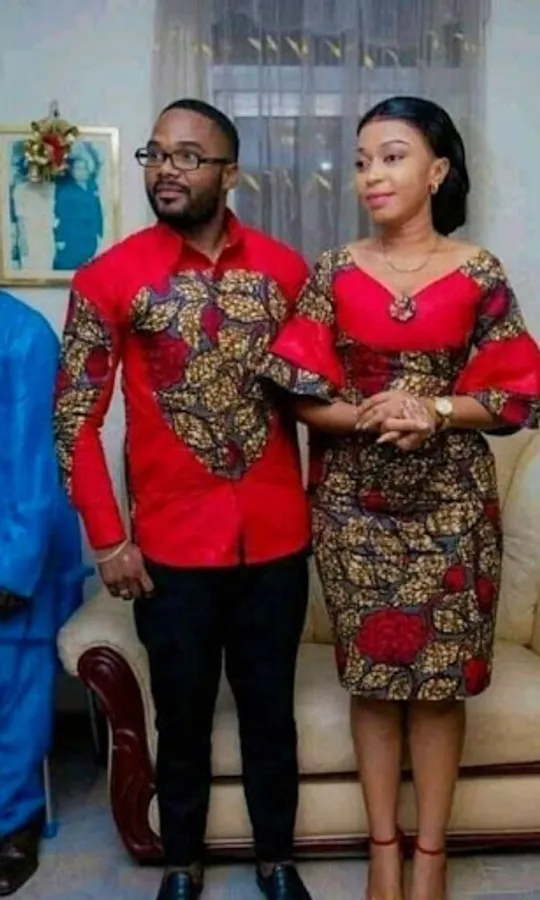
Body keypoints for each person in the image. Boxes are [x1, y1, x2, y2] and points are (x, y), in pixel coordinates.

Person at [259, 95, 540, 900]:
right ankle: (383, 850)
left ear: (437, 170)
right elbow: (298, 393)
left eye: (391, 157)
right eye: (360, 162)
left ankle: (431, 857)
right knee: (374, 686)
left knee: (439, 690)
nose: (371, 176)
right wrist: (378, 415)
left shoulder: (479, 272)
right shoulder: (333, 272)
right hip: (354, 511)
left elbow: (519, 395)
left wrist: (436, 410)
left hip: (454, 512)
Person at [53, 99, 314, 900]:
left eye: (188, 156)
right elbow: (74, 419)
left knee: (270, 711)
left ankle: (276, 862)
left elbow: (319, 400)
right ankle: (181, 864)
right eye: (157, 154)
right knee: (182, 715)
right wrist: (108, 539)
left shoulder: (286, 273)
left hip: (277, 541)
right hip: (169, 551)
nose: (167, 168)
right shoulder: (109, 278)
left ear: (230, 174)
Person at [0, 290, 85, 896]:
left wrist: (13, 571)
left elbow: (36, 463)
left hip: (17, 546)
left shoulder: (23, 336)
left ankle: (13, 823)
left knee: (10, 693)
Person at [53, 155, 104, 270]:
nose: (81, 172)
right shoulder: (66, 192)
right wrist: (60, 238)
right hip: (72, 238)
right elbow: (60, 217)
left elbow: (97, 212)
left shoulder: (92, 189)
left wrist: (99, 232)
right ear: (72, 171)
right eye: (78, 169)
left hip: (90, 238)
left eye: (84, 168)